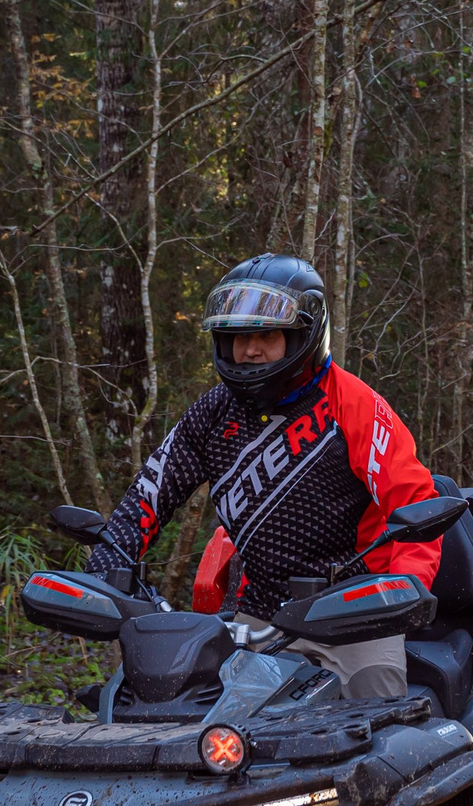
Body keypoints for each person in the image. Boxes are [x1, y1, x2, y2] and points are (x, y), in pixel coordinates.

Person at [86, 253, 442, 700]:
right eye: (238, 337)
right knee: (187, 709)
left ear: (302, 336)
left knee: (379, 713)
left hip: (356, 610)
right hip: (261, 611)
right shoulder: (211, 415)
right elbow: (150, 492)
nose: (249, 349)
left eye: (266, 335)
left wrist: (404, 589)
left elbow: (414, 503)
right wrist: (111, 558)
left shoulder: (356, 406)